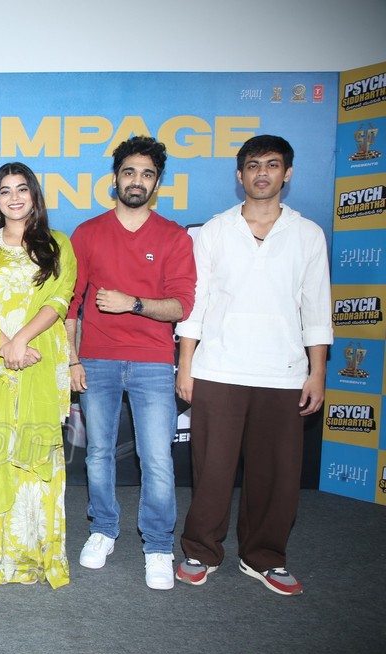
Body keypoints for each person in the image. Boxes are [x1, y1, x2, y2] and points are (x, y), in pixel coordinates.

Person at [174, 135, 331, 596]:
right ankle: (201, 551)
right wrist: (187, 365)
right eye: (254, 165)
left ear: (288, 173)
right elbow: (197, 303)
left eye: (272, 164)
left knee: (275, 475)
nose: (263, 173)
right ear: (239, 175)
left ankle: (264, 557)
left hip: (283, 373)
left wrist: (317, 372)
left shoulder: (308, 234)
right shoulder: (215, 231)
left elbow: (316, 309)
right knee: (212, 471)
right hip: (219, 368)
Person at [66, 136, 196, 590]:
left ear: (157, 182)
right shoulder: (87, 233)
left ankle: (158, 545)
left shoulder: (174, 236)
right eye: (129, 172)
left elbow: (181, 305)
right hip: (96, 359)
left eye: (147, 174)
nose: (137, 181)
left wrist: (132, 303)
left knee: (157, 457)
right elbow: (70, 304)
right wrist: (72, 359)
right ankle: (103, 529)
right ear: (115, 178)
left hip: (153, 362)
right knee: (98, 453)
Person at [0, 162, 76, 587]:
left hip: (39, 359)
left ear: (34, 195)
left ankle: (30, 554)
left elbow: (59, 300)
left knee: (33, 451)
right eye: (5, 191)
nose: (14, 198)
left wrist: (21, 341)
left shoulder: (58, 244)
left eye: (22, 189)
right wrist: (4, 344)